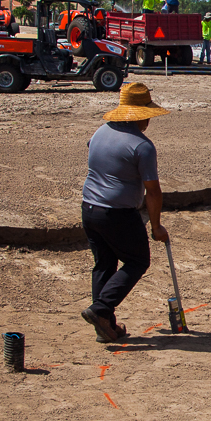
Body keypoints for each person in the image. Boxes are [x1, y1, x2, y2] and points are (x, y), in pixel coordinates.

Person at [80, 82, 169, 343]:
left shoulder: (99, 132)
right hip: (117, 213)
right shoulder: (143, 146)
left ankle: (105, 326)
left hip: (89, 208)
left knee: (104, 264)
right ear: (141, 114)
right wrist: (156, 227)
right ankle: (100, 310)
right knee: (137, 261)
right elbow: (153, 191)